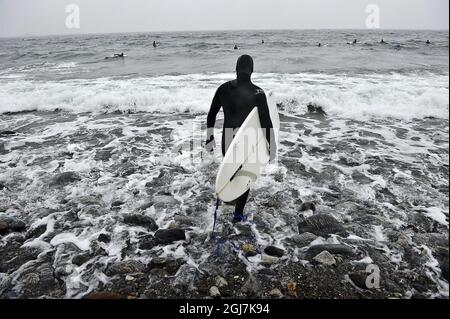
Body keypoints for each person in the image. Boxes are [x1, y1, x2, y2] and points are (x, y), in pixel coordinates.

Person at [205, 55, 276, 222]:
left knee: (230, 170)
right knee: (245, 174)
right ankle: (238, 213)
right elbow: (266, 121)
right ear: (252, 70)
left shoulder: (223, 89)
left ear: (236, 69)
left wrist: (209, 137)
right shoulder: (258, 92)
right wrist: (271, 145)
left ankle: (227, 194)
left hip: (228, 139)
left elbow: (211, 113)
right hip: (246, 140)